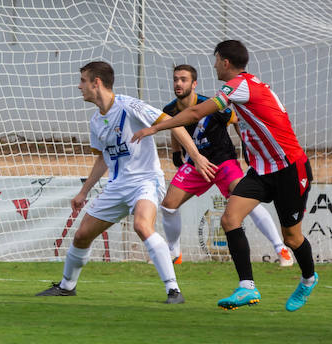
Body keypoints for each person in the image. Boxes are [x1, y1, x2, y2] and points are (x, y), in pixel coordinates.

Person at [132, 40, 318, 311]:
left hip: (290, 168)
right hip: (262, 170)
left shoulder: (239, 85)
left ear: (226, 62)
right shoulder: (244, 88)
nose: (215, 65)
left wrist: (156, 128)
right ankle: (246, 288)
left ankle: (308, 278)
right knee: (230, 219)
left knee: (292, 237)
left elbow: (195, 112)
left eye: (216, 60)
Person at [35, 61, 183, 305]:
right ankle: (66, 286)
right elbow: (103, 158)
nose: (79, 86)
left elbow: (174, 123)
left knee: (142, 225)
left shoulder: (130, 106)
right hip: (117, 185)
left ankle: (173, 290)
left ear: (97, 83)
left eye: (83, 80)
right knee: (82, 235)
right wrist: (84, 191)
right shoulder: (96, 121)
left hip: (145, 179)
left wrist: (196, 156)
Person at [155, 64, 290, 267]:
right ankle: (174, 253)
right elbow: (176, 127)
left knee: (248, 201)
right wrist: (176, 152)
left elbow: (236, 119)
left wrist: (245, 145)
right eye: (175, 79)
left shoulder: (210, 105)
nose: (178, 83)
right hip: (195, 165)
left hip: (223, 162)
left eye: (183, 79)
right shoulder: (170, 109)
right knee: (168, 206)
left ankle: (281, 249)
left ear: (194, 84)